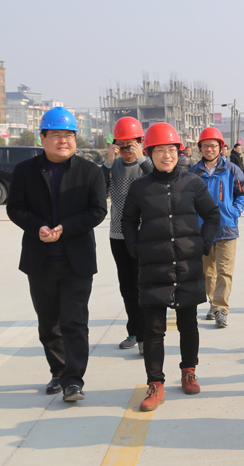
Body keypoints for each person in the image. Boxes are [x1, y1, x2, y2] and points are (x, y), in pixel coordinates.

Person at [6, 107, 107, 402]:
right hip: (40, 261)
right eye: (56, 134)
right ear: (43, 137)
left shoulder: (90, 172)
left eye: (69, 135)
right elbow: (15, 208)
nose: (63, 140)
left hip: (76, 261)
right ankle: (58, 372)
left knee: (74, 321)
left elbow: (98, 211)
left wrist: (66, 228)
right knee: (48, 322)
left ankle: (73, 381)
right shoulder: (25, 171)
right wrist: (36, 226)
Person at [122, 122, 221, 412]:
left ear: (179, 152)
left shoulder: (193, 183)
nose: (167, 156)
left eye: (171, 150)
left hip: (188, 266)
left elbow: (212, 215)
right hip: (153, 267)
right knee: (153, 329)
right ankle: (155, 384)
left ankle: (189, 372)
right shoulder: (140, 187)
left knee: (188, 325)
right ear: (149, 153)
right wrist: (135, 249)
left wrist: (203, 245)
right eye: (160, 151)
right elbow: (128, 221)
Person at [189, 127, 244, 328]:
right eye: (205, 146)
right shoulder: (192, 173)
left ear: (221, 147)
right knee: (207, 272)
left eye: (213, 145)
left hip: (227, 228)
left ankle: (221, 309)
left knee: (225, 271)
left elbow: (242, 194)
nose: (209, 149)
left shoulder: (232, 170)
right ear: (200, 148)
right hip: (202, 230)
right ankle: (213, 303)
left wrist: (233, 211)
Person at [103, 116, 152, 355]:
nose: (125, 149)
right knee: (127, 287)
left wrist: (141, 157)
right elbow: (97, 190)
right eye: (120, 144)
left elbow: (159, 181)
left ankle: (145, 335)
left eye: (129, 144)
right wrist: (107, 163)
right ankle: (134, 331)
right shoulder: (112, 166)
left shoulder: (147, 165)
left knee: (143, 285)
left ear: (140, 142)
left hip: (144, 234)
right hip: (118, 235)